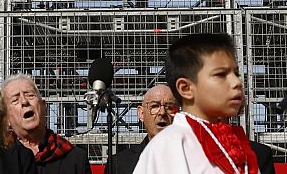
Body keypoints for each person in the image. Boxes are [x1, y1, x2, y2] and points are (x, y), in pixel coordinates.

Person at [134, 32, 256, 174]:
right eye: (220, 75)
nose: (236, 82)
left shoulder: (235, 140)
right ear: (185, 88)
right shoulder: (169, 145)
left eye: (236, 74)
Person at [2, 75, 90, 174]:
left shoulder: (76, 159)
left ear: (45, 107)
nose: (24, 101)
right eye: (15, 100)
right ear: (6, 119)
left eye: (30, 95)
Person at [106, 84, 177, 174]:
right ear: (141, 114)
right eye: (155, 106)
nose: (162, 112)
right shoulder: (118, 164)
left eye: (169, 107)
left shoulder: (193, 157)